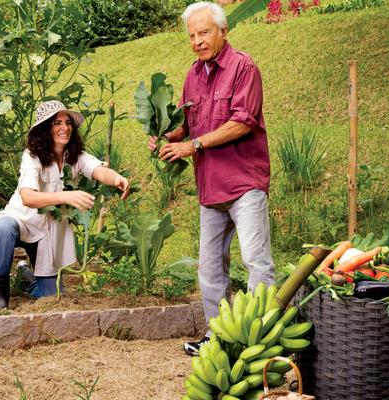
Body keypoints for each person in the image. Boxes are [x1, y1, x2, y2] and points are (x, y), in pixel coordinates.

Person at [149, 2, 275, 356]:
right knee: (209, 268)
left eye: (203, 32)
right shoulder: (192, 76)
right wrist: (168, 137)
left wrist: (194, 145)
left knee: (255, 260)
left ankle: (261, 338)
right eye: (191, 35)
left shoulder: (243, 68)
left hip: (244, 182)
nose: (197, 41)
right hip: (210, 188)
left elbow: (242, 122)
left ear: (223, 31)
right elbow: (187, 127)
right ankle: (218, 336)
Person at [0, 100, 129, 309]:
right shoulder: (32, 156)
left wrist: (117, 178)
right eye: (57, 123)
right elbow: (28, 197)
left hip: (49, 232)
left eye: (67, 122)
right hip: (23, 221)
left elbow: (97, 169)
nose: (65, 128)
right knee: (3, 228)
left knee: (51, 296)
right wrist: (65, 197)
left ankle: (25, 276)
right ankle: (1, 290)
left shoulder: (75, 156)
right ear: (46, 128)